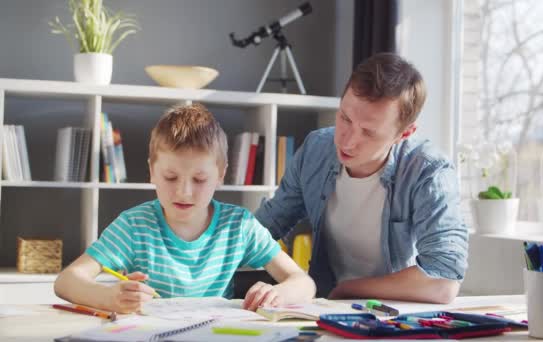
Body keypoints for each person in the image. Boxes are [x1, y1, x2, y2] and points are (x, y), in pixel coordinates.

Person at [54, 104, 316, 313]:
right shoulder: (134, 226)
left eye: (199, 180)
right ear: (152, 172)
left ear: (221, 175)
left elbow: (304, 282)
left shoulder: (239, 226)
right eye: (170, 177)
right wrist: (109, 296)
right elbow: (67, 281)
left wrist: (280, 293)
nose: (184, 192)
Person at [255, 52, 469, 304]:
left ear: (405, 133)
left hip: (393, 315)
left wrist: (349, 289)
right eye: (345, 118)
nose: (347, 140)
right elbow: (265, 226)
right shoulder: (316, 149)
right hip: (324, 307)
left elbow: (443, 282)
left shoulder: (429, 171)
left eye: (368, 132)